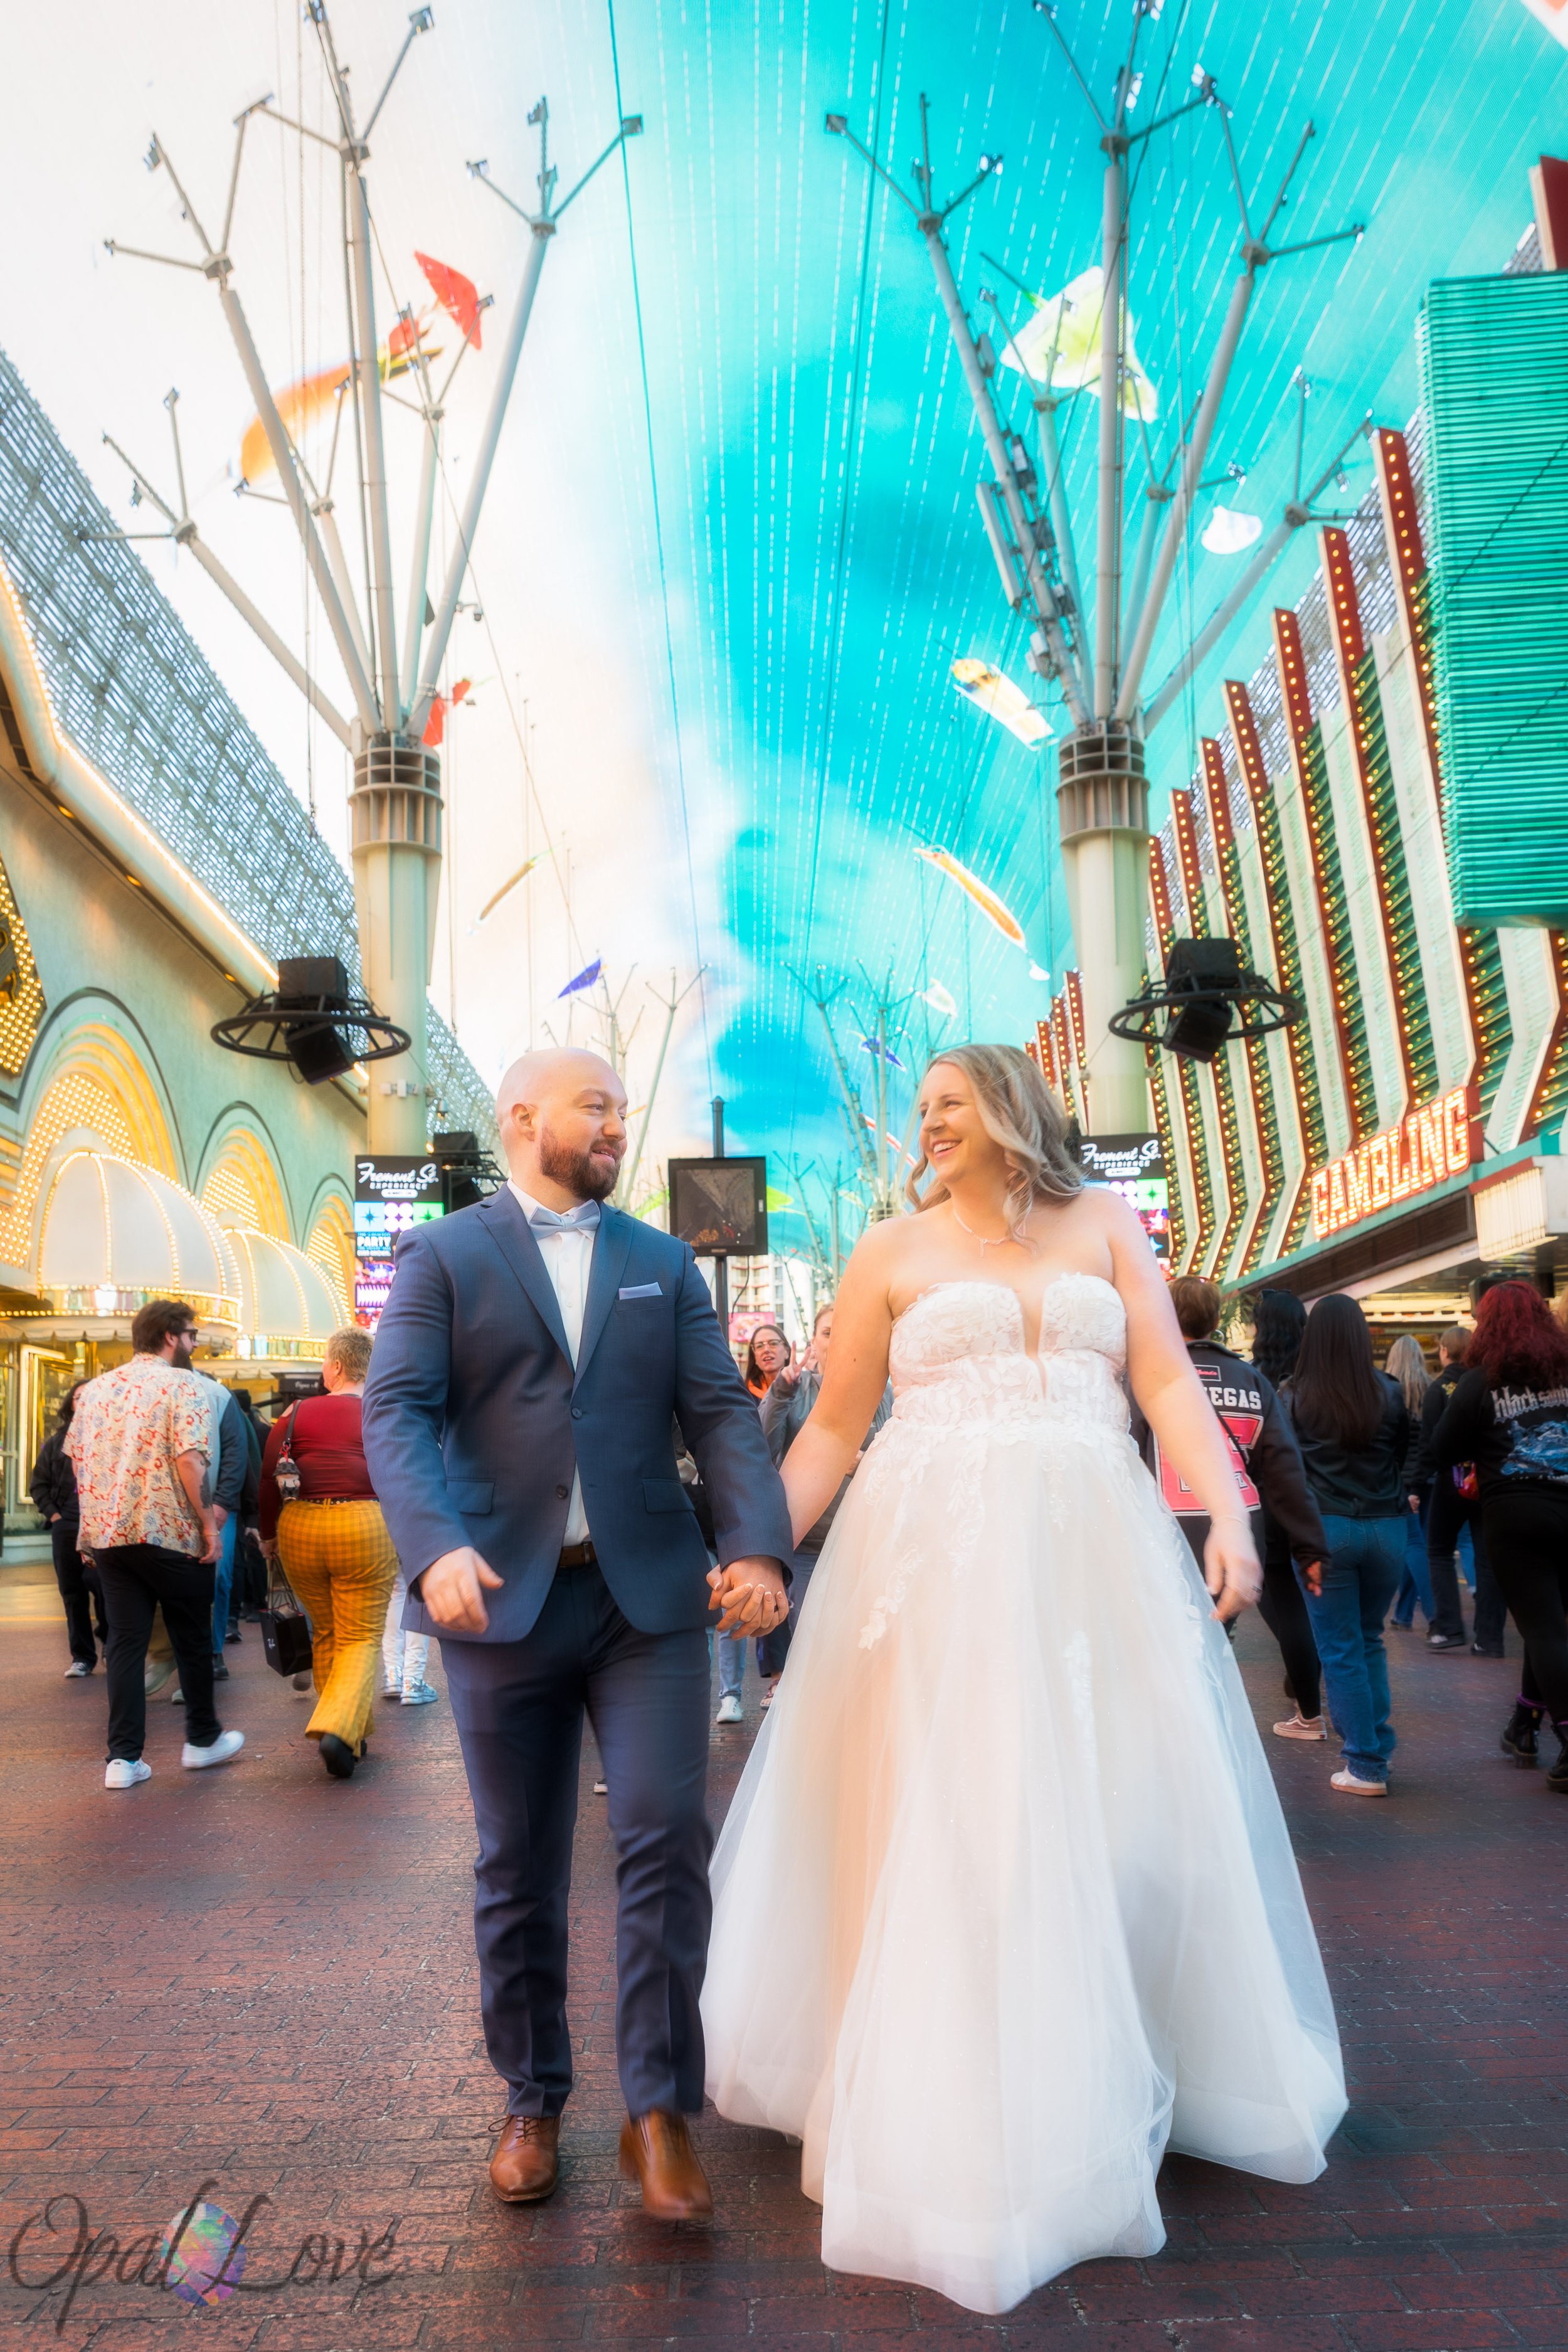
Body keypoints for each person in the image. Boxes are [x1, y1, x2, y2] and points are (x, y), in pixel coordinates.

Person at [703, 1045, 1345, 2314]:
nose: (927, 1124)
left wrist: (1227, 1514)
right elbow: (834, 1427)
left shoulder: (1105, 1223)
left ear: (1009, 1107)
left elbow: (1161, 1379)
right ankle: (950, 2099)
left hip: (1092, 1556)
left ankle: (1103, 2064)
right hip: (932, 1562)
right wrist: (754, 1547)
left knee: (1121, 1819)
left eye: (947, 1104)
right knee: (953, 1821)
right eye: (921, 1111)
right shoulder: (890, 1250)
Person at [363, 1047, 793, 2222]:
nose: (616, 1124)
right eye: (594, 1106)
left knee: (665, 1837)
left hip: (647, 1600)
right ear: (522, 1117)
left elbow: (717, 1409)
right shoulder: (445, 1254)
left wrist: (756, 1545)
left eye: (620, 1108)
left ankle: (659, 2110)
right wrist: (434, 1543)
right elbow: (394, 1409)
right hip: (496, 1599)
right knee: (516, 1863)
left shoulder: (661, 1262)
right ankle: (532, 2097)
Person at [1131, 1276, 1329, 1740]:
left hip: (1166, 1528)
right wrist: (1309, 1545)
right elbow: (1284, 1470)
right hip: (1240, 1531)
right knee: (1213, 1640)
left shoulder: (1149, 1378)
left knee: (1172, 1646)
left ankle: (1189, 1743)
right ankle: (1209, 1739)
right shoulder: (1252, 1380)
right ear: (1216, 1321)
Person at [65, 1298, 246, 1789]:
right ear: (171, 1336)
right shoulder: (184, 1385)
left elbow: (79, 1465)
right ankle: (202, 1740)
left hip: (111, 1536)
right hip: (172, 1533)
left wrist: (90, 1528)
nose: (193, 1344)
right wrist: (209, 1526)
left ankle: (122, 1760)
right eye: (191, 1335)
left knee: (125, 1643)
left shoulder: (97, 1391)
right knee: (191, 1636)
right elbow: (190, 1460)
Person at [1431, 1281, 1568, 1790]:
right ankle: (1525, 1723)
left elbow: (1441, 1448)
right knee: (1548, 1623)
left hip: (1516, 1515)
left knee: (1546, 1629)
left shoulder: (1478, 1382)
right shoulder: (1565, 1369)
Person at [1281, 1295, 1410, 1796]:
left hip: (1324, 1532)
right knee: (1369, 1637)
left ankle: (1365, 1764)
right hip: (1386, 1528)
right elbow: (1401, 1453)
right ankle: (1375, 1747)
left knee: (1339, 1648)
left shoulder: (1293, 1395)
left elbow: (1286, 1468)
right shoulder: (1390, 1392)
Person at [260, 1327, 399, 1779]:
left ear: (337, 1367)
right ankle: (339, 1729)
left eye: (324, 1361)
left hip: (300, 1528)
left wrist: (268, 1536)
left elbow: (267, 1479)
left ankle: (352, 1733)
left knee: (326, 1632)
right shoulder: (384, 1412)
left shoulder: (295, 1414)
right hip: (365, 1524)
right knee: (359, 1636)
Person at [757, 1301, 891, 1697]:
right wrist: (780, 1394)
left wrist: (865, 1462)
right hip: (809, 1548)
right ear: (813, 1343)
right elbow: (762, 1449)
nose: (838, 1340)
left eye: (845, 1330)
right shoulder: (795, 1389)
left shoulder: (883, 1392)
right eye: (828, 1332)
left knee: (865, 1649)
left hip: (868, 1543)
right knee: (814, 1649)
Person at [1417, 1325, 1504, 1655]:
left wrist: (1416, 1483)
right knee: (1486, 1556)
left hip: (1451, 1480)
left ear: (1443, 1351)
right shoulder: (1488, 1383)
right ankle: (1490, 1637)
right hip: (1485, 1480)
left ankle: (1449, 1627)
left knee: (1439, 1550)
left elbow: (1431, 1443)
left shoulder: (1439, 1388)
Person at [30, 1384, 107, 1678]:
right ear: (70, 1403)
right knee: (72, 1592)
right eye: (79, 1396)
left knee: (103, 1586)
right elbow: (38, 1484)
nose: (85, 1401)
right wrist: (57, 1516)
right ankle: (82, 1657)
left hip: (101, 1526)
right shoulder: (57, 1442)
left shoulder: (108, 1436)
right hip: (67, 1526)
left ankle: (110, 1643)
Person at [1384, 1333, 1434, 1633]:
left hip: (1400, 1481)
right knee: (1418, 1545)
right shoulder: (1432, 1390)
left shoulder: (1390, 1392)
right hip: (1429, 1479)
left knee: (1414, 1547)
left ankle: (1436, 1615)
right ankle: (1403, 1613)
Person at [743, 1322, 791, 1399]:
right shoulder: (744, 1394)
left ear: (787, 1352)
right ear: (755, 1357)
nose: (766, 1350)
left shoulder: (804, 1389)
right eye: (759, 1346)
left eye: (774, 1343)